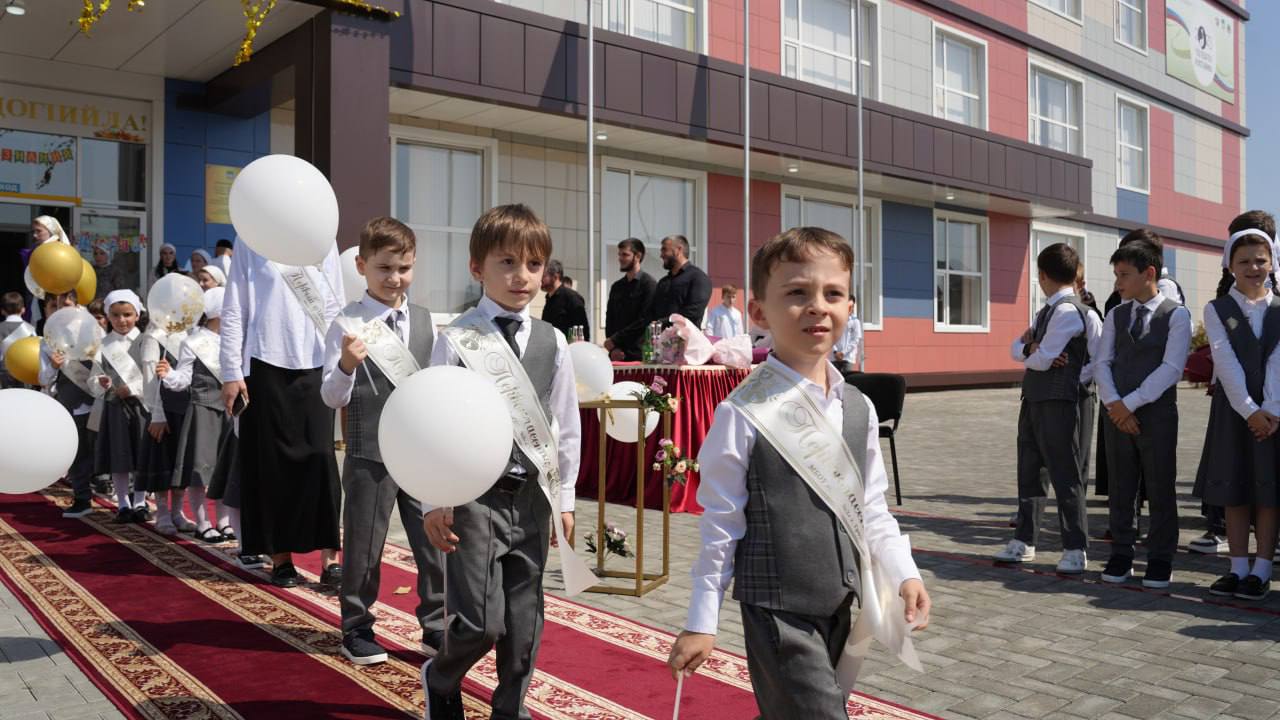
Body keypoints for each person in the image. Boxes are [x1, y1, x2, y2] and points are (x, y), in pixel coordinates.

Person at [666, 227, 928, 719]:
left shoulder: (859, 408)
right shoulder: (742, 411)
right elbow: (721, 522)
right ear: (759, 312)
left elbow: (871, 507)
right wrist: (702, 619)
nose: (817, 307)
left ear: (851, 307)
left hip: (840, 604)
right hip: (777, 611)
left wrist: (903, 572)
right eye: (797, 293)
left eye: (833, 294)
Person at [421, 204, 582, 720]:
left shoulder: (554, 342)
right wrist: (433, 500)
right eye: (507, 263)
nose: (522, 277)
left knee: (524, 624)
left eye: (533, 265)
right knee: (480, 624)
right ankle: (441, 675)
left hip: (530, 500)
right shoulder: (457, 338)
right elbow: (434, 422)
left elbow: (565, 425)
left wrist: (565, 499)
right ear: (478, 268)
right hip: (474, 499)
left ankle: (510, 709)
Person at [320, 218, 445, 665]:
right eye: (384, 268)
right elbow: (330, 395)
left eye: (404, 268)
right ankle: (356, 626)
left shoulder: (427, 321)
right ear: (362, 266)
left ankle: (437, 625)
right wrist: (345, 366)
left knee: (433, 544)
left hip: (420, 452)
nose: (394, 278)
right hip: (368, 450)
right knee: (364, 545)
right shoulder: (347, 323)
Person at [219, 238, 344, 588]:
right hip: (264, 361)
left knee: (321, 459)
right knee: (271, 464)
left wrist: (341, 365)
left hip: (317, 361)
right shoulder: (250, 237)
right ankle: (280, 558)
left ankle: (331, 558)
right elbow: (235, 307)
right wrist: (231, 370)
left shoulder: (322, 233)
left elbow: (335, 303)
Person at [994, 243, 1101, 573]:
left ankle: (1075, 547)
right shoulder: (1046, 312)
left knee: (1066, 473)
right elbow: (1019, 349)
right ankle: (1024, 540)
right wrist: (1032, 349)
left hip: (1065, 401)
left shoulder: (1070, 312)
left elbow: (1041, 358)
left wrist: (1032, 351)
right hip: (1035, 399)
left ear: (1042, 275)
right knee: (1030, 470)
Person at [1096, 236, 1192, 589]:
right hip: (1117, 413)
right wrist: (1114, 405)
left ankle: (1161, 557)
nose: (1118, 282)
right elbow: (1102, 362)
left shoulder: (1176, 315)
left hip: (1156, 415)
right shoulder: (1116, 315)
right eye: (1116, 275)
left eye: (1124, 275)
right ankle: (1122, 551)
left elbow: (1171, 368)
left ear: (1148, 273)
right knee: (1121, 487)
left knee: (1160, 484)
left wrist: (1129, 404)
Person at [1198, 212, 1280, 600]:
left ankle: (1261, 569)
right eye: (1244, 261)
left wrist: (1271, 410)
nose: (1253, 268)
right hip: (1234, 413)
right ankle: (1237, 567)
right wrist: (1250, 410)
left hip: (1273, 415)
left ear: (1272, 263)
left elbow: (1278, 363)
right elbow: (1225, 362)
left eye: (1260, 260)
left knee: (1268, 490)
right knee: (1234, 489)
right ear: (1230, 265)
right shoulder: (1217, 309)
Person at [157, 287, 237, 545]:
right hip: (203, 410)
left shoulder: (235, 340)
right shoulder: (193, 342)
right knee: (199, 471)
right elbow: (183, 379)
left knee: (225, 468)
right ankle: (202, 522)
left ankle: (223, 520)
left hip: (231, 411)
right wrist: (168, 374)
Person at [89, 290, 151, 524]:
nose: (122, 320)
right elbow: (93, 379)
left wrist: (132, 388)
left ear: (137, 315)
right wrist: (101, 382)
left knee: (142, 454)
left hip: (141, 406)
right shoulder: (103, 345)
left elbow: (153, 377)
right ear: (108, 316)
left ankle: (140, 501)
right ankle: (123, 503)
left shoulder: (147, 341)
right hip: (115, 407)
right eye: (115, 315)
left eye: (127, 314)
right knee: (119, 454)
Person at [135, 302, 195, 538]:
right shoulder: (154, 336)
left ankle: (177, 512)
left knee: (180, 462)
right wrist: (157, 414)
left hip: (185, 407)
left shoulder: (190, 333)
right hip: (164, 410)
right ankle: (162, 512)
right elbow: (150, 379)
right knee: (162, 460)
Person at [37, 291, 97, 518]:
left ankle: (125, 497)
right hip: (70, 402)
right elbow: (43, 379)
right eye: (54, 306)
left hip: (98, 399)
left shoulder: (92, 330)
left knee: (103, 447)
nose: (61, 309)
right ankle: (82, 498)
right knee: (77, 450)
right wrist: (53, 366)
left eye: (67, 304)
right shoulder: (47, 341)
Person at [604, 238, 657, 361]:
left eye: (625, 255)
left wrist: (615, 340)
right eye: (619, 254)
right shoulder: (617, 287)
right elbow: (610, 319)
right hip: (615, 354)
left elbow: (644, 320)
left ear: (638, 256)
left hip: (638, 354)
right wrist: (613, 347)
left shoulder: (649, 285)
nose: (620, 258)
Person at [646, 235, 712, 329]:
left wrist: (662, 322)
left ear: (679, 250)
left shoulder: (698, 278)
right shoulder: (663, 282)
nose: (661, 255)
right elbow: (652, 311)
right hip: (659, 337)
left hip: (685, 337)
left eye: (665, 250)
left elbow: (693, 313)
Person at [540, 259, 590, 340]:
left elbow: (582, 332)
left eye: (543, 276)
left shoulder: (572, 297)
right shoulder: (549, 298)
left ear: (555, 277)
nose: (540, 279)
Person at [0, 292, 34, 389]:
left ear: (2, 311)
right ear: (23, 310)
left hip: (4, 372)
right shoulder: (30, 328)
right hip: (24, 370)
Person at [832, 294, 863, 375]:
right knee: (833, 380)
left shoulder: (855, 321)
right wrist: (835, 352)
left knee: (847, 379)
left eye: (851, 306)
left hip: (848, 358)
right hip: (833, 357)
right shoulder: (834, 320)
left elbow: (855, 340)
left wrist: (843, 353)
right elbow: (830, 336)